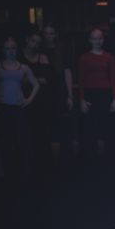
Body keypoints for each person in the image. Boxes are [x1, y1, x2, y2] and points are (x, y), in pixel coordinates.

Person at [0, 37, 40, 178]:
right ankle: (6, 171)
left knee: (22, 140)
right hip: (3, 107)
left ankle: (23, 172)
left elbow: (36, 85)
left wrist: (29, 99)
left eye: (13, 48)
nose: (10, 51)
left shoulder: (23, 67)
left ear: (17, 50)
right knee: (5, 140)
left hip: (18, 107)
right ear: (3, 50)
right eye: (7, 48)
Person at [78, 28, 115, 164]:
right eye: (94, 38)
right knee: (90, 130)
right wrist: (82, 99)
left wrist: (114, 99)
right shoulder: (84, 58)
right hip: (90, 95)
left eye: (100, 38)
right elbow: (81, 80)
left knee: (108, 129)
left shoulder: (109, 57)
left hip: (105, 95)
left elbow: (113, 79)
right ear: (90, 40)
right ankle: (91, 161)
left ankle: (109, 160)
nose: (97, 41)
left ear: (103, 39)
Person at [42, 22, 77, 166]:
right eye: (46, 33)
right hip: (44, 92)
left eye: (51, 33)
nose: (48, 36)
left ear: (55, 34)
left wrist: (70, 95)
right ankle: (47, 160)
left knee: (64, 126)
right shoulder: (40, 50)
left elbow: (67, 72)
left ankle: (65, 160)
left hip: (60, 91)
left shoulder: (61, 50)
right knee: (46, 126)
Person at [21, 27, 53, 169]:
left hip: (41, 101)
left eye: (38, 42)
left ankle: (44, 167)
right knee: (26, 134)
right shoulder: (19, 57)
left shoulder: (42, 57)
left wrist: (30, 79)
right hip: (23, 99)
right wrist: (36, 80)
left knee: (43, 134)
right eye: (33, 41)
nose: (35, 44)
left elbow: (47, 79)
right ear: (27, 40)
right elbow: (18, 79)